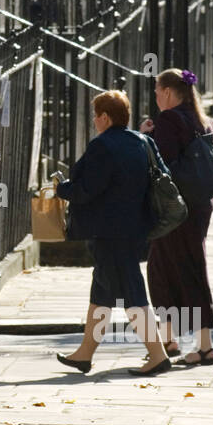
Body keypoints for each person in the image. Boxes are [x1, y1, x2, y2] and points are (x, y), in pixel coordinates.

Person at [54, 89, 171, 378]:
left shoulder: (103, 146)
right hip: (137, 229)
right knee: (102, 291)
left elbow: (86, 190)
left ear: (105, 117)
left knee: (132, 292)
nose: (95, 121)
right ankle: (84, 355)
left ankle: (158, 355)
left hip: (110, 232)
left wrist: (61, 188)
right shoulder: (143, 142)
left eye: (96, 116)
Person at [140, 68, 213, 366]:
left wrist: (148, 136)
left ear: (169, 93)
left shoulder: (170, 119)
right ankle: (170, 338)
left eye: (158, 92)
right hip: (199, 206)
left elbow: (164, 164)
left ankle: (205, 347)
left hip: (178, 210)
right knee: (164, 268)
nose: (157, 97)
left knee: (185, 270)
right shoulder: (204, 120)